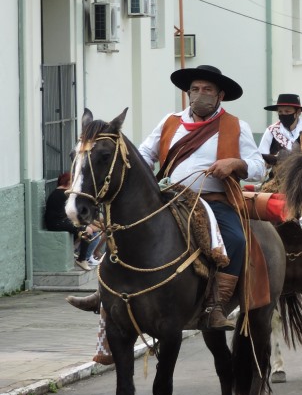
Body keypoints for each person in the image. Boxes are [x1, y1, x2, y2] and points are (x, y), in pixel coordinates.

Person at [67, 64, 265, 330]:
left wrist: (234, 163)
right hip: (170, 196)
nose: (200, 94)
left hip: (213, 200)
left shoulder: (236, 126)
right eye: (195, 89)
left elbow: (258, 167)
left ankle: (215, 304)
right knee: (122, 232)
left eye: (207, 90)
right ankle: (104, 293)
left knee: (236, 239)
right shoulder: (170, 122)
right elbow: (144, 154)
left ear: (220, 96)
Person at [44, 172, 101, 270]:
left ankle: (73, 251)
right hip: (57, 223)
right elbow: (77, 213)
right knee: (88, 230)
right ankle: (82, 259)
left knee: (87, 229)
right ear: (69, 182)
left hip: (59, 222)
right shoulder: (65, 194)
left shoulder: (61, 192)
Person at [258, 93, 302, 167]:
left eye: (287, 111)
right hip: (276, 176)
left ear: (298, 112)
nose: (283, 114)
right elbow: (260, 159)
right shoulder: (271, 131)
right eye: (280, 112)